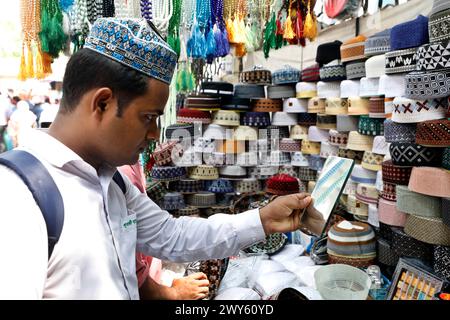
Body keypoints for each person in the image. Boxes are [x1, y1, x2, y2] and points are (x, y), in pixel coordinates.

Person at [0, 18, 325, 299]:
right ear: (101, 103)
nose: (156, 134)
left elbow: (173, 236)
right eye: (149, 117)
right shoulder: (18, 197)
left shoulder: (112, 183)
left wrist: (264, 219)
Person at [119, 162, 210, 300]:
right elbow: (130, 270)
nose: (154, 138)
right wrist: (173, 293)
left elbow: (164, 231)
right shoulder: (121, 171)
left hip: (155, 280)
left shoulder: (129, 166)